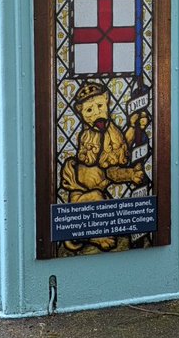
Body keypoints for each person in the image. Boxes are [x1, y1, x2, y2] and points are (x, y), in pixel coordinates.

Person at [59, 81, 147, 253]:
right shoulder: (89, 137)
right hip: (81, 200)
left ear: (107, 100)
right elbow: (110, 172)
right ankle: (95, 236)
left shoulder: (110, 130)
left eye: (100, 106)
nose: (97, 113)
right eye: (89, 110)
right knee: (98, 197)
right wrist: (131, 175)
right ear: (80, 113)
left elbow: (121, 150)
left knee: (102, 200)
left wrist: (133, 127)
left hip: (95, 197)